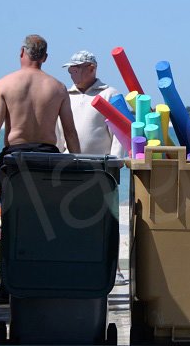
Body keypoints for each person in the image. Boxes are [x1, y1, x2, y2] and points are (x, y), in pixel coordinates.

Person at [0, 34, 81, 303]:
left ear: (22, 52)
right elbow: (69, 131)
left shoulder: (4, 84)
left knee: (11, 225)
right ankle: (43, 281)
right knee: (47, 224)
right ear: (44, 57)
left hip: (15, 162)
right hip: (47, 161)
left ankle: (7, 287)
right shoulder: (57, 87)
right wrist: (78, 165)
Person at [58, 50, 127, 285]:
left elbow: (118, 132)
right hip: (69, 166)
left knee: (107, 219)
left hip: (101, 168)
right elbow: (59, 131)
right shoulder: (64, 94)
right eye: (70, 68)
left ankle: (113, 269)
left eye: (76, 68)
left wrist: (115, 163)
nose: (71, 72)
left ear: (91, 69)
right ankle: (74, 264)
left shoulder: (109, 93)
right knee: (70, 217)